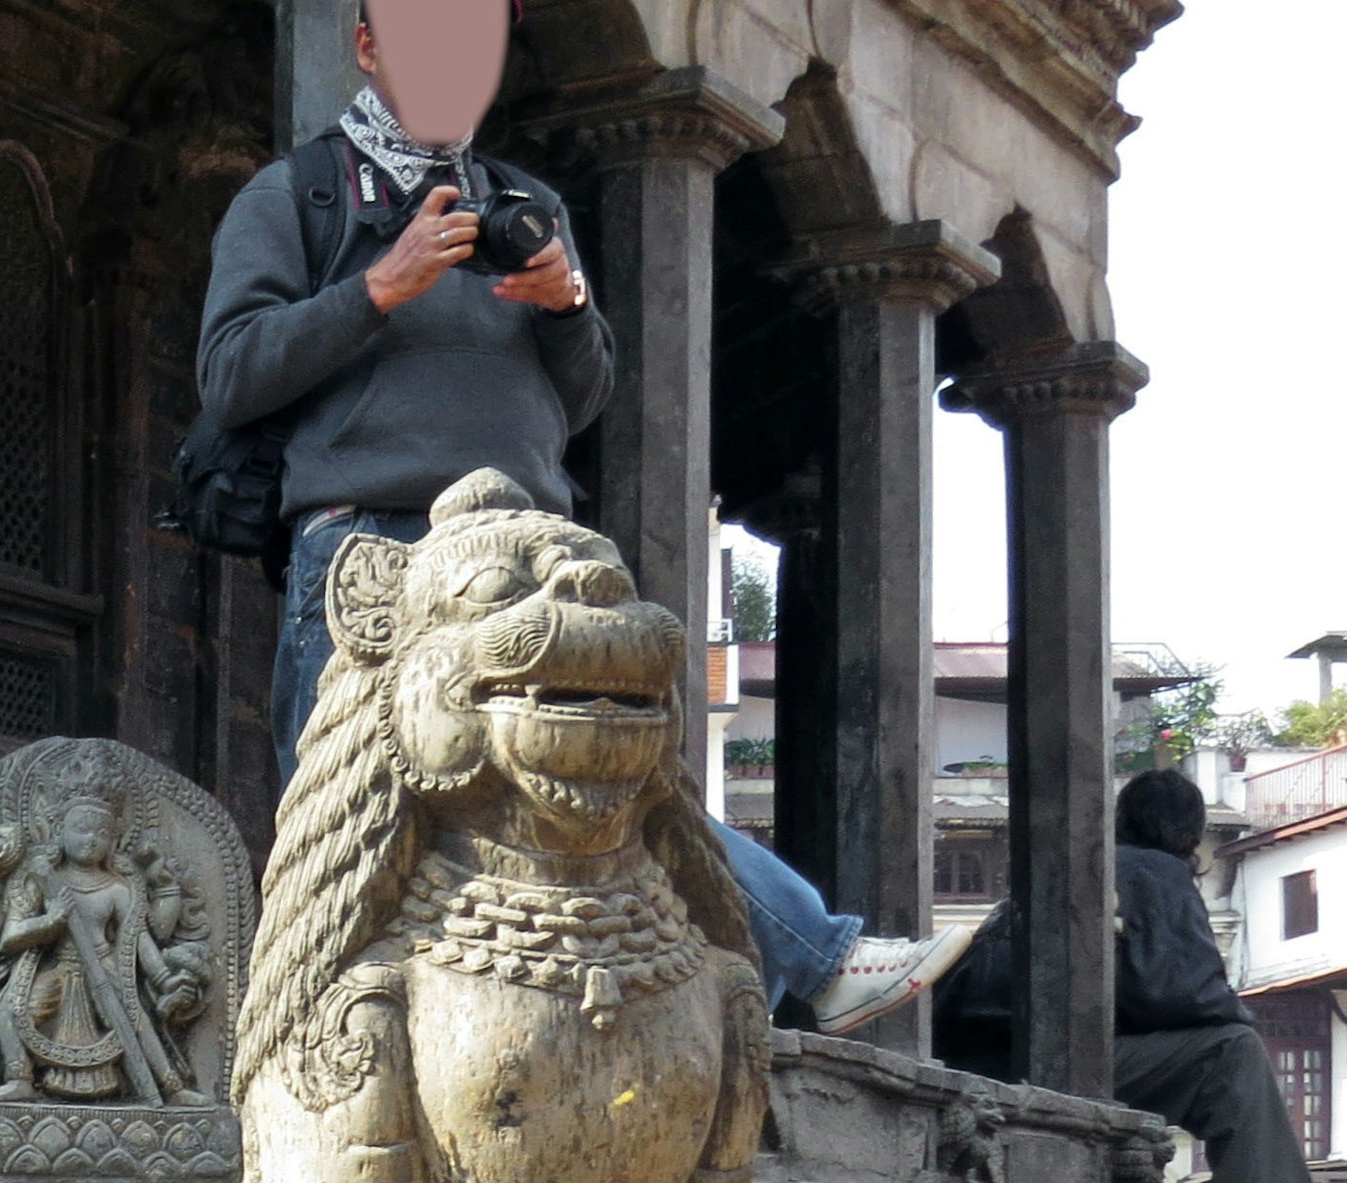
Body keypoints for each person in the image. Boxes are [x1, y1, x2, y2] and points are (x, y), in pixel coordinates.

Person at [198, 0, 972, 1033]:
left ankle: (815, 958)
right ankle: (317, 1047)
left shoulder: (522, 200)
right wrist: (381, 285)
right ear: (370, 47)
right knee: (345, 819)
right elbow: (231, 372)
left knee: (604, 775)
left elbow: (586, 393)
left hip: (523, 557)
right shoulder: (298, 197)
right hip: (372, 550)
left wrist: (565, 307)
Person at [934, 772, 1320, 1183]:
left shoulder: (1069, 869)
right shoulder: (1154, 870)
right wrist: (1237, 1015)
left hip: (978, 1058)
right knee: (1234, 1051)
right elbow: (1180, 993)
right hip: (1046, 1064)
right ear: (1190, 835)